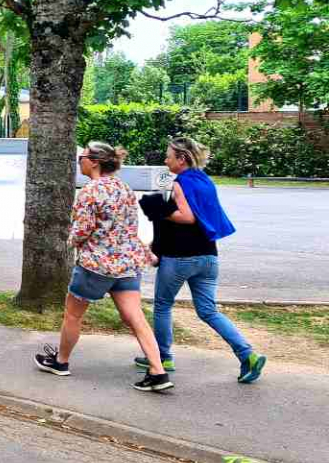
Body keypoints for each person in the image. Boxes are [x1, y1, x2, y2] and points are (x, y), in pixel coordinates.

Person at [35, 142, 173, 392]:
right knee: (136, 317)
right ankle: (157, 371)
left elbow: (83, 229)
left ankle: (61, 361)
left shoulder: (89, 191)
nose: (80, 161)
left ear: (95, 162)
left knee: (73, 314)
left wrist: (71, 241)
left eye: (83, 157)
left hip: (96, 265)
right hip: (127, 264)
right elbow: (130, 226)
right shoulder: (125, 188)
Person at [139, 137, 264, 383]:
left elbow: (187, 218)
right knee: (208, 310)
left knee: (163, 305)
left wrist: (158, 210)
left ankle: (162, 357)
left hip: (180, 259)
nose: (166, 160)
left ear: (182, 159)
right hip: (208, 256)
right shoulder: (206, 181)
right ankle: (247, 354)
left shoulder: (181, 183)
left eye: (169, 156)